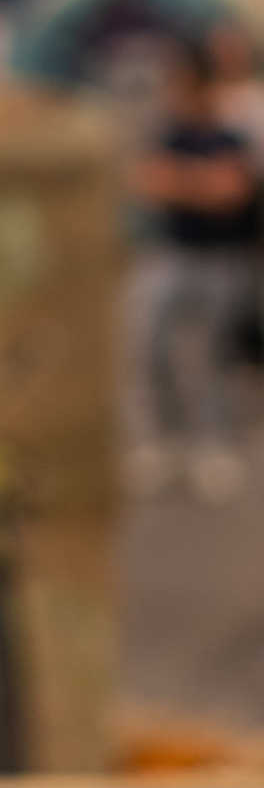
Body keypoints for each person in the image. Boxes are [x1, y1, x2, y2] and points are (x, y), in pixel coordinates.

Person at [123, 34, 262, 502]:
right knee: (151, 346)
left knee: (217, 356)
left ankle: (215, 446)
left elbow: (232, 191)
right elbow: (149, 182)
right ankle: (170, 441)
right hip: (173, 254)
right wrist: (199, 183)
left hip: (222, 259)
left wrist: (183, 182)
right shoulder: (167, 130)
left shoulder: (232, 130)